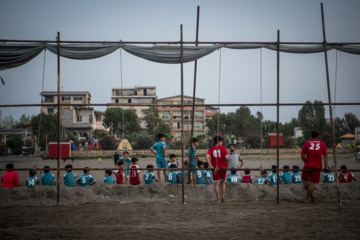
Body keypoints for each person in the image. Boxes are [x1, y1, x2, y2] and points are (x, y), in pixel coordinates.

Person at [301, 130, 329, 203]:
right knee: (312, 183)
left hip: (307, 165)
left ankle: (311, 196)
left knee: (304, 180)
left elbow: (302, 155)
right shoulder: (322, 144)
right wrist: (326, 167)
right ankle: (308, 198)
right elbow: (325, 156)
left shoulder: (306, 143)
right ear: (318, 136)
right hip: (317, 166)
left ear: (311, 136)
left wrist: (306, 162)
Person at [205, 136, 229, 203]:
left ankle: (218, 199)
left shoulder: (211, 149)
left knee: (216, 184)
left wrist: (211, 166)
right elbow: (227, 158)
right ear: (219, 142)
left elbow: (206, 157)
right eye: (221, 141)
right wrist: (227, 165)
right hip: (223, 168)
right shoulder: (223, 149)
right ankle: (223, 197)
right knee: (223, 183)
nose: (222, 143)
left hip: (215, 168)